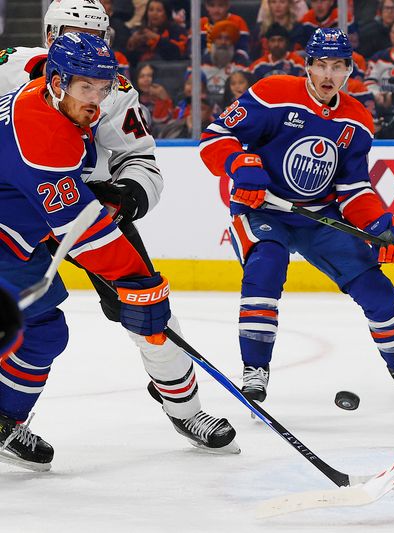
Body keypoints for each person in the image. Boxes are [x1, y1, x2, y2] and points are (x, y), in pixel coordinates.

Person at [0, 1, 238, 456]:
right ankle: (9, 418)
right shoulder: (11, 64)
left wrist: (128, 192)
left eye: (95, 35)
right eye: (70, 33)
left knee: (145, 303)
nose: (83, 44)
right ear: (50, 34)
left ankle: (184, 407)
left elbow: (141, 159)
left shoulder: (115, 89)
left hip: (88, 203)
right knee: (37, 323)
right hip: (22, 207)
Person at [198, 28, 394, 403]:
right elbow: (214, 137)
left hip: (319, 216)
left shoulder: (356, 121)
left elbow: (354, 190)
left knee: (376, 287)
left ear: (349, 71)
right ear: (307, 66)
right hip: (264, 208)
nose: (328, 75)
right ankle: (255, 369)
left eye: (337, 67)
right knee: (266, 265)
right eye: (321, 65)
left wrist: (382, 226)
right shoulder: (272, 93)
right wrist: (240, 163)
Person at [189, 20, 247, 104]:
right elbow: (189, 89)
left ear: (232, 42)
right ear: (213, 41)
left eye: (227, 38)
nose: (223, 42)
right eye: (219, 38)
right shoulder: (199, 64)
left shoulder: (242, 65)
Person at [125, 0, 188, 67]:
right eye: (151, 10)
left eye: (159, 10)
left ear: (166, 13)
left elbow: (179, 53)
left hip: (168, 70)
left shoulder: (176, 30)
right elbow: (131, 61)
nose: (154, 14)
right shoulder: (140, 31)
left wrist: (156, 39)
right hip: (143, 71)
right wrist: (133, 45)